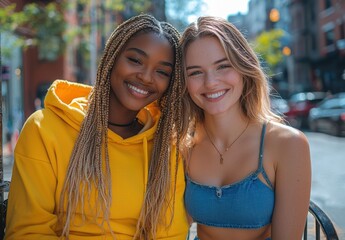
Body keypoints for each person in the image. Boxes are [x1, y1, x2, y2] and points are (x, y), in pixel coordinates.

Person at [5, 14, 189, 239]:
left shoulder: (165, 148)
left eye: (162, 72)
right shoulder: (44, 129)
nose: (146, 77)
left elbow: (171, 235)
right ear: (112, 58)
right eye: (135, 60)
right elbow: (28, 231)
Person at [179, 16, 311, 240]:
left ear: (243, 67)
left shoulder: (288, 144)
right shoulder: (183, 145)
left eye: (223, 66)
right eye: (195, 72)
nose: (211, 82)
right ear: (184, 82)